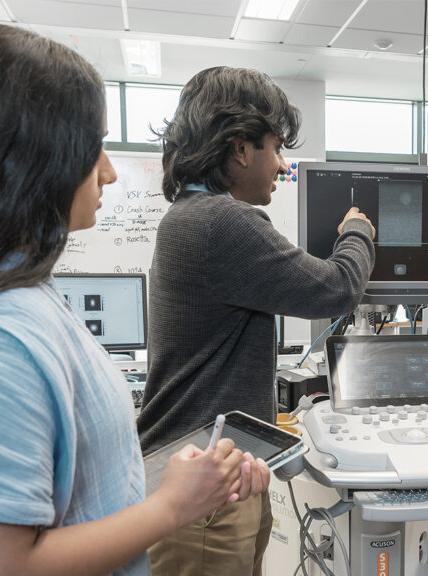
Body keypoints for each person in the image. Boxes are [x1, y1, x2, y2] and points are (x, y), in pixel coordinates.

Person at [0, 25, 269, 576]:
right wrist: (172, 505)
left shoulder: (10, 289)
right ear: (23, 156)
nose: (106, 171)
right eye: (93, 146)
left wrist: (185, 481)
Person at [136, 66, 375, 575]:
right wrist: (358, 233)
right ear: (241, 147)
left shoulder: (188, 215)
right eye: (276, 148)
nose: (282, 165)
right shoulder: (221, 221)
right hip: (207, 492)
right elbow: (335, 289)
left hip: (214, 475)